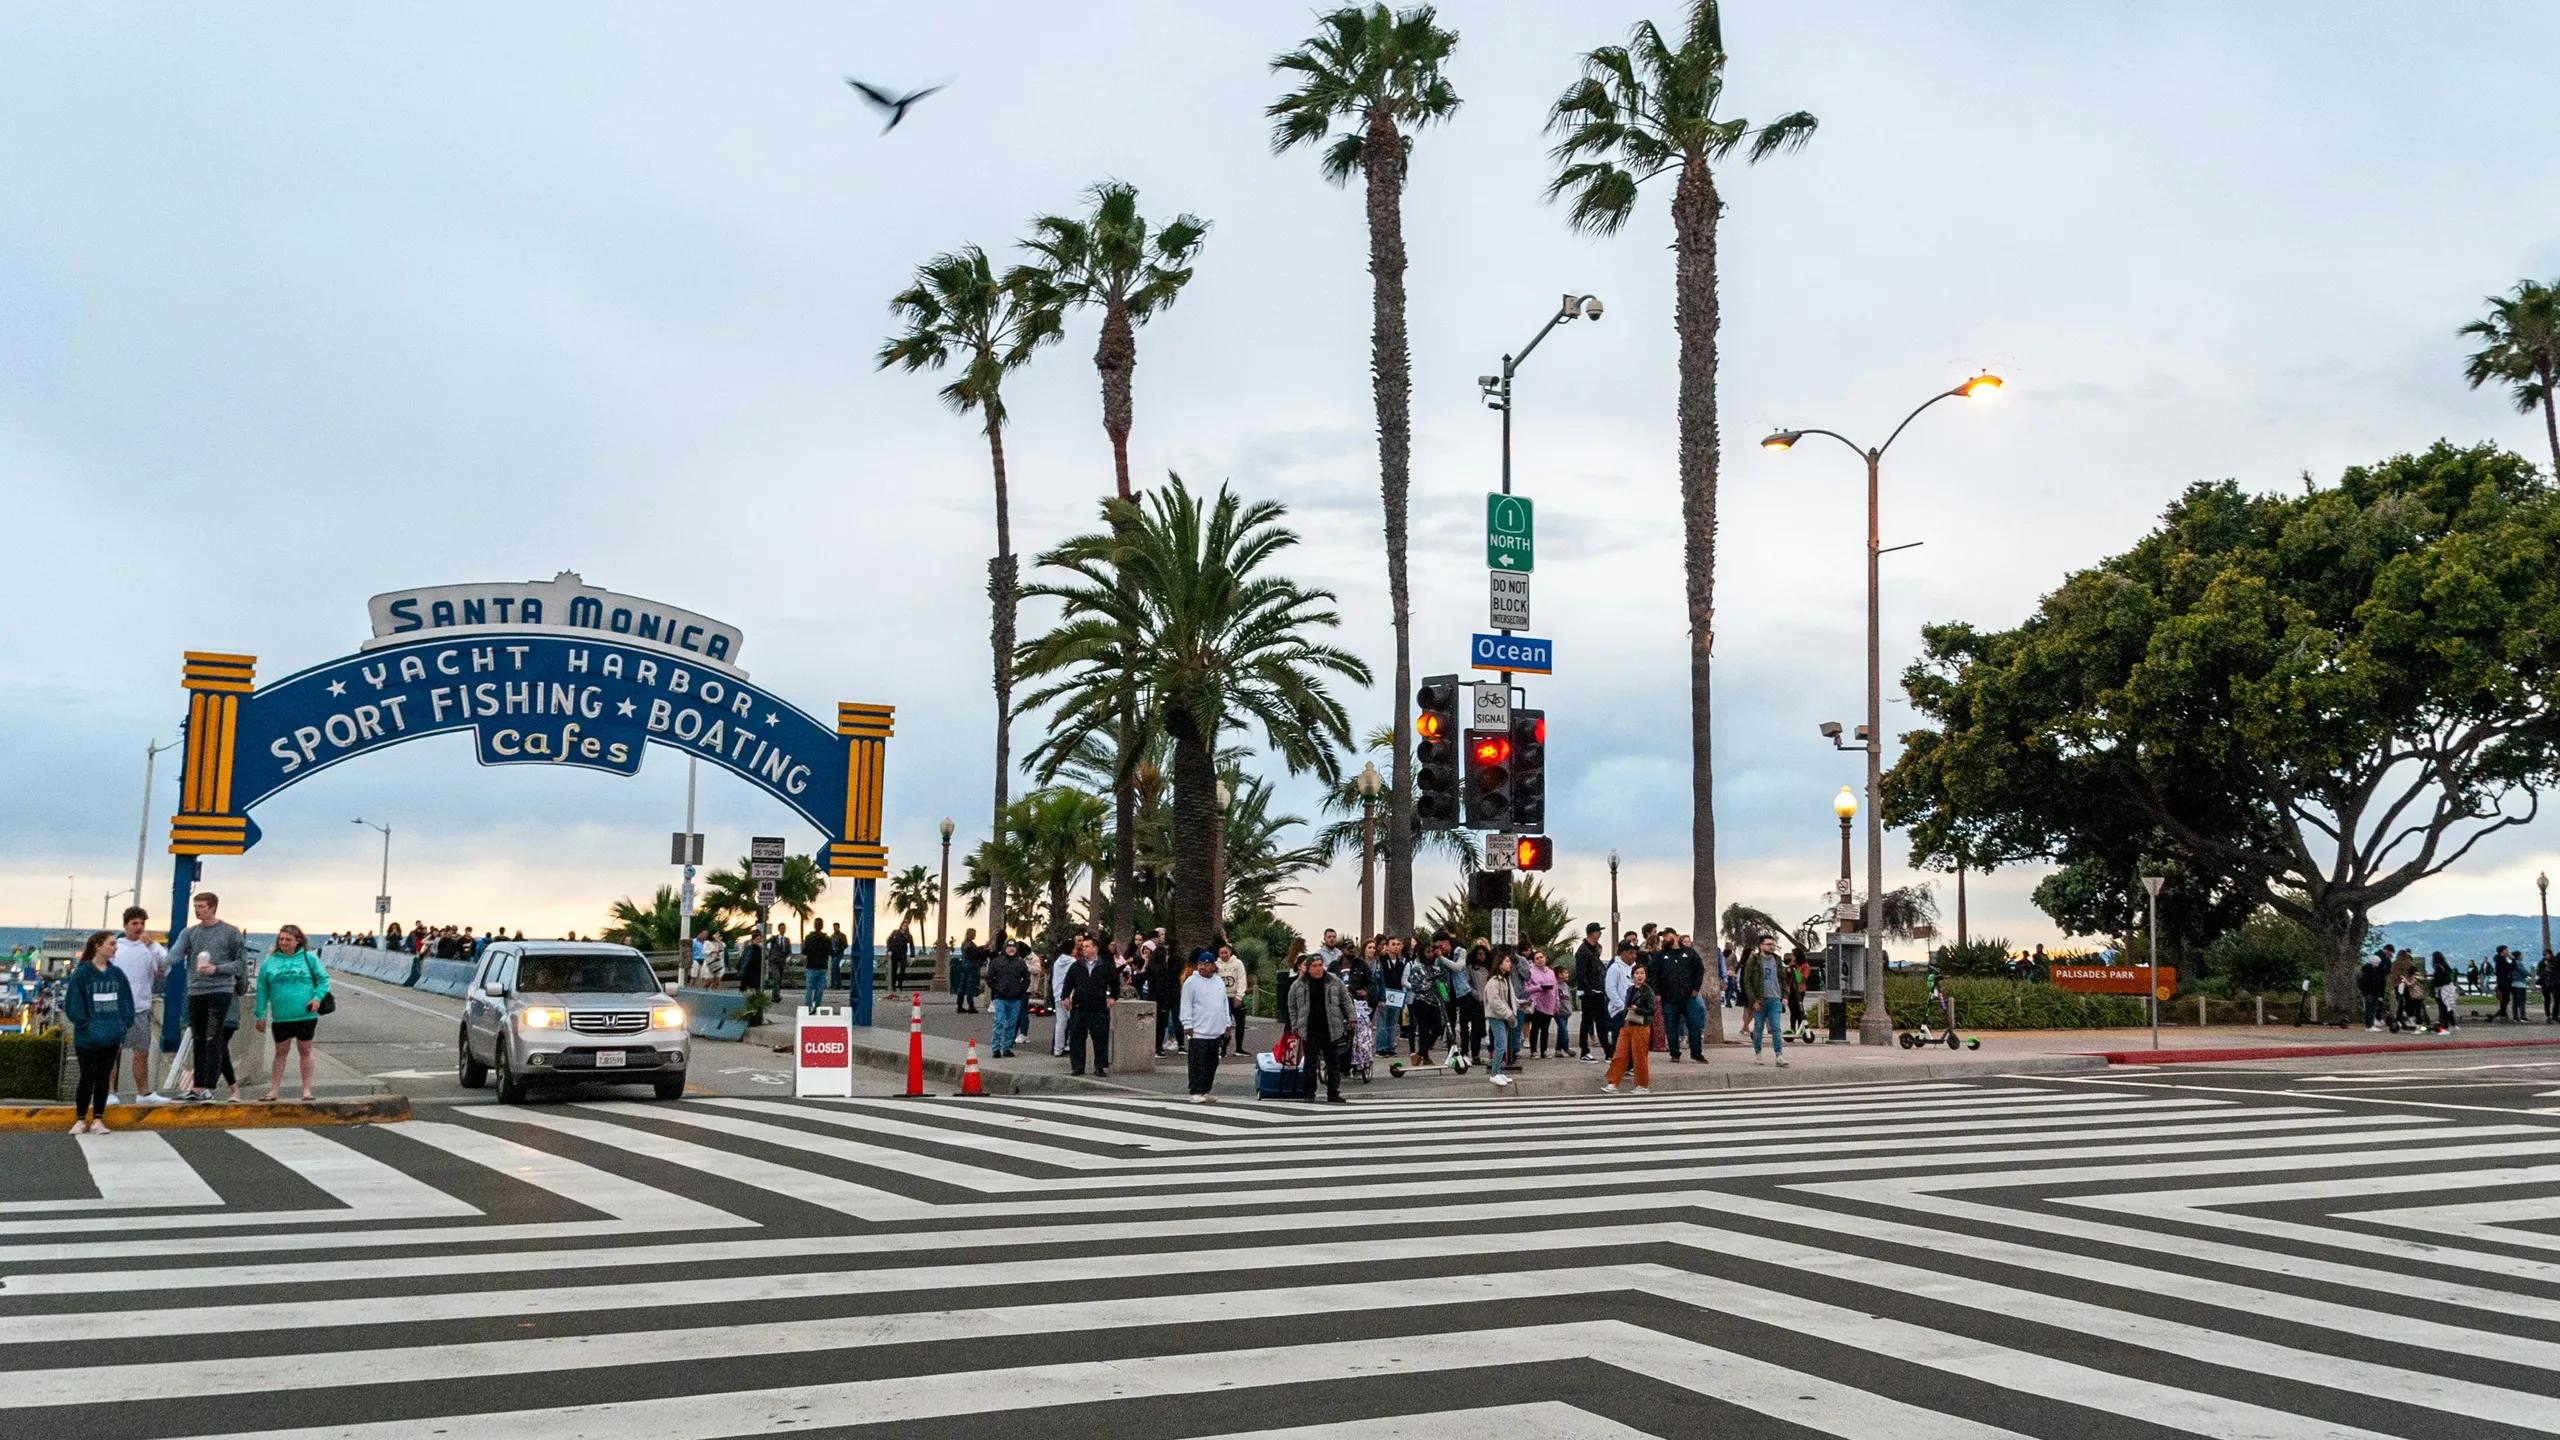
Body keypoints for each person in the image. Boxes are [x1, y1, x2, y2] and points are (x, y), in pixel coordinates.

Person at [170, 892, 248, 1103]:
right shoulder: (189, 933)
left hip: (220, 989)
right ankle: (197, 1087)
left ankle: (208, 1086)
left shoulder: (230, 933)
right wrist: (156, 956)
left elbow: (241, 964)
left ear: (213, 907)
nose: (197, 910)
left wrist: (216, 969)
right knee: (198, 1038)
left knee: (212, 1037)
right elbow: (175, 954)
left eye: (201, 906)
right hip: (196, 989)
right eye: (195, 906)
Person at [65, 931, 134, 1134]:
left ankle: (98, 1119)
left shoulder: (117, 975)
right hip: (87, 1039)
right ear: (98, 945)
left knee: (104, 1077)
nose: (115, 947)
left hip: (111, 1036)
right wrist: (86, 1027)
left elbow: (126, 1003)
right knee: (87, 1076)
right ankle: (79, 1118)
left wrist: (122, 1027)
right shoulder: (82, 974)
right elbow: (74, 1006)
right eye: (111, 944)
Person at [253, 924, 331, 1102]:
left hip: (306, 1014)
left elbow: (323, 979)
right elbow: (262, 989)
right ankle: (273, 1090)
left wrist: (317, 998)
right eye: (281, 939)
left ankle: (306, 1090)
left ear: (298, 941)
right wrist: (260, 1015)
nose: (284, 942)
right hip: (281, 1016)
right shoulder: (269, 962)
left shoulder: (309, 958)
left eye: (288, 939)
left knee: (305, 1049)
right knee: (281, 1051)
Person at [107, 906, 168, 1105]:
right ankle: (109, 1093)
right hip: (116, 1008)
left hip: (140, 1006)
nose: (139, 927)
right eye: (134, 923)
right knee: (111, 1052)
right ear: (125, 925)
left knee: (141, 1052)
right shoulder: (116, 947)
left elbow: (166, 964)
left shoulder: (149, 948)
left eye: (142, 923)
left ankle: (143, 1093)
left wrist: (152, 946)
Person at [1286, 951, 1352, 1104]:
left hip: (1331, 1027)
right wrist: (1295, 1024)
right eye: (1314, 966)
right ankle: (1309, 1093)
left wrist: (1351, 1017)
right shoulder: (1298, 985)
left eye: (1320, 965)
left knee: (1333, 1062)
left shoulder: (1334, 981)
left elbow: (1345, 1000)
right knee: (1310, 1062)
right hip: (1309, 1029)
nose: (1318, 969)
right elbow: (1292, 1006)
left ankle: (1333, 1092)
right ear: (1308, 968)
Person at [1059, 936, 1117, 1077]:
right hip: (1079, 1007)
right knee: (1077, 1038)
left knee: (1100, 1038)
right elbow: (1068, 983)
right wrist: (1065, 997)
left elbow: (1115, 983)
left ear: (1095, 948)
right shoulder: (1076, 966)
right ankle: (1078, 1067)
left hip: (1098, 1008)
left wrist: (1113, 997)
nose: (1083, 949)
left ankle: (1099, 1067)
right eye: (1082, 946)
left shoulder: (1105, 966)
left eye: (1087, 946)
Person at [1178, 950, 1230, 1103]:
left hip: (1215, 1030)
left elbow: (1223, 1004)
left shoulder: (1219, 981)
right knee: (1197, 1062)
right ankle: (1195, 1090)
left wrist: (1227, 1024)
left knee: (1211, 1062)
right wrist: (1187, 1024)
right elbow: (1186, 1004)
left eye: (1206, 964)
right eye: (1200, 964)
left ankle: (1206, 1089)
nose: (1202, 967)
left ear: (1213, 966)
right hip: (1198, 1030)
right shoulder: (1191, 982)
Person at [1603, 958, 1657, 1095]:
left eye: (1642, 973)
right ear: (1632, 975)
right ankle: (1613, 1082)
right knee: (1620, 1054)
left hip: (1641, 1025)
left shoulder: (1648, 991)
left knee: (1639, 1056)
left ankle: (1642, 1084)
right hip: (1627, 1024)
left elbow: (1651, 1010)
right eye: (1637, 973)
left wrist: (1637, 1009)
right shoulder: (1630, 990)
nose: (1640, 976)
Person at [1656, 930, 1704, 1062]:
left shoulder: (1689, 952)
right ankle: (1675, 1054)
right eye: (1663, 937)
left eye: (1667, 935)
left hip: (1688, 997)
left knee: (1694, 1026)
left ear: (1675, 936)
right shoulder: (1661, 955)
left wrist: (1696, 988)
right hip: (1669, 999)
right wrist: (1657, 993)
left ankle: (1696, 1053)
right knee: (1671, 1028)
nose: (1665, 938)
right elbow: (1654, 974)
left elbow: (1700, 969)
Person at [1742, 936, 1791, 1067]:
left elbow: (1782, 979)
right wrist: (1753, 1000)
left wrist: (1785, 996)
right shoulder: (1754, 960)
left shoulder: (1777, 959)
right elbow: (1747, 981)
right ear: (1761, 946)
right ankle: (1758, 1054)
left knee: (1776, 1028)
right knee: (1758, 1027)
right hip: (1760, 999)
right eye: (1768, 944)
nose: (1771, 947)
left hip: (1775, 998)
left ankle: (1779, 1055)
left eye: (1773, 944)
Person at [984, 940, 1030, 1057]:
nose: (1011, 949)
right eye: (1009, 947)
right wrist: (996, 988)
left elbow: (1026, 978)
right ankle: (996, 1048)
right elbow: (989, 978)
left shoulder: (1020, 963)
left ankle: (1007, 1047)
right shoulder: (997, 962)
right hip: (1000, 997)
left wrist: (1021, 989)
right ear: (1005, 948)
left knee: (1011, 1023)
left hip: (1016, 998)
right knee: (998, 1022)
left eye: (1013, 947)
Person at [1481, 953, 1519, 1088]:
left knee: (1502, 1045)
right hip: (1496, 1016)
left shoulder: (1506, 980)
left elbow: (1511, 998)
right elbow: (1494, 1001)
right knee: (1501, 1045)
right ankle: (1494, 1074)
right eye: (1507, 961)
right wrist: (1508, 1013)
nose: (1509, 964)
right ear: (1499, 964)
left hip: (1505, 1016)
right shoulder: (1494, 981)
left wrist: (1519, 1006)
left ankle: (1498, 1071)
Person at [1573, 924, 1608, 1061]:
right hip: (1590, 993)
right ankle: (1585, 1051)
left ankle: (1607, 1050)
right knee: (1588, 1021)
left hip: (1597, 990)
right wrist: (1589, 990)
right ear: (1594, 933)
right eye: (1599, 931)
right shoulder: (1583, 951)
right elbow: (1581, 974)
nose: (1600, 934)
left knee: (1599, 1021)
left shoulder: (1593, 950)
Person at [1522, 948, 1562, 1059]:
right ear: (1534, 961)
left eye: (1541, 957)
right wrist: (1538, 988)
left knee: (1545, 1029)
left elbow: (1555, 989)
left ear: (1545, 958)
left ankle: (1544, 1051)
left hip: (1549, 1004)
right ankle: (1533, 1051)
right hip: (1537, 1004)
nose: (1540, 960)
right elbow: (1526, 988)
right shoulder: (1531, 971)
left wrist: (1556, 1004)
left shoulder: (1550, 971)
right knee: (1535, 1028)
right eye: (1537, 958)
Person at [1216, 943, 1250, 1057]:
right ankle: (1223, 1049)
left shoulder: (1238, 963)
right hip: (1222, 999)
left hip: (1235, 997)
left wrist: (1239, 996)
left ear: (1230, 952)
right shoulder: (1216, 965)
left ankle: (1239, 1048)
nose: (1224, 955)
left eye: (1226, 953)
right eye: (1221, 953)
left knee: (1240, 1024)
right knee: (1225, 1024)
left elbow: (1241, 979)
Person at [799, 924, 834, 1012]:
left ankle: (808, 1006)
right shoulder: (827, 938)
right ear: (822, 926)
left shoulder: (809, 937)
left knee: (809, 988)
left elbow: (804, 951)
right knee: (820, 988)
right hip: (822, 966)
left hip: (811, 965)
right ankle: (817, 1006)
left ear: (814, 925)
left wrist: (811, 953)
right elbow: (831, 952)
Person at [956, 929, 986, 1014]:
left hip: (964, 964)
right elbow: (976, 955)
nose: (975, 935)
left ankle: (959, 1005)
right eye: (974, 934)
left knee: (962, 985)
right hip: (972, 965)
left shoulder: (964, 943)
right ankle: (971, 1005)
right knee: (970, 985)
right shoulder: (971, 945)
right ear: (971, 934)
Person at [887, 923, 914, 991]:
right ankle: (893, 986)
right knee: (894, 970)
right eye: (904, 925)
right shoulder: (895, 932)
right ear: (901, 926)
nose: (905, 927)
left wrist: (912, 955)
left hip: (903, 954)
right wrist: (889, 950)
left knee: (903, 969)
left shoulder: (908, 935)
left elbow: (911, 945)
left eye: (906, 926)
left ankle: (900, 985)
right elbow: (889, 940)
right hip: (894, 953)